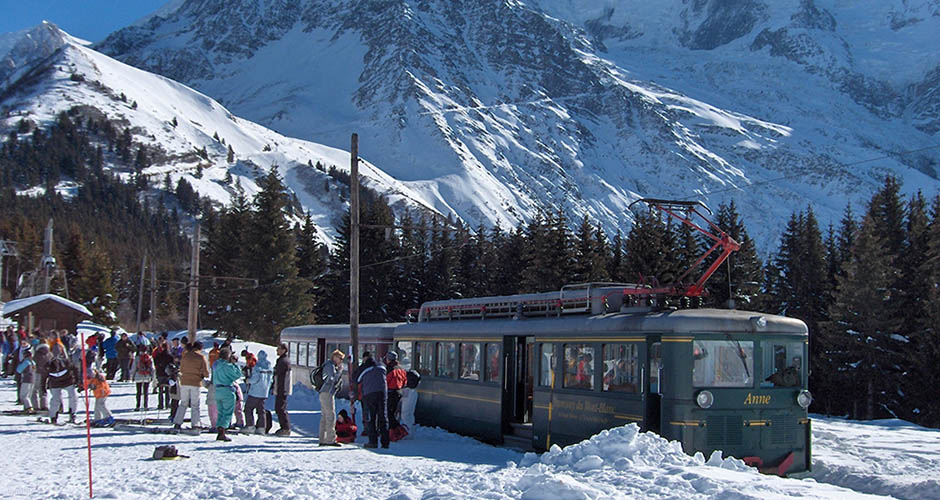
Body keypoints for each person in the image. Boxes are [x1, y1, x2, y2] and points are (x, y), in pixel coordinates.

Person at [174, 341, 209, 430]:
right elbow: (206, 373)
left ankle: (177, 422)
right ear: (200, 348)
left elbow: (181, 369)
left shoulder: (185, 356)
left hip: (185, 381)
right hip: (196, 382)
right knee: (195, 404)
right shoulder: (201, 357)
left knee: (183, 403)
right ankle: (195, 424)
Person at [357, 353, 389, 448]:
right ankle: (385, 442)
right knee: (383, 417)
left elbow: (356, 379)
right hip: (382, 393)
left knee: (371, 418)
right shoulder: (382, 366)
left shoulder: (365, 368)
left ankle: (373, 441)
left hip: (369, 393)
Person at [211, 348, 242, 441]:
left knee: (220, 412)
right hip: (227, 390)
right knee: (227, 412)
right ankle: (222, 431)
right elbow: (238, 374)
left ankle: (220, 429)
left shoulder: (215, 364)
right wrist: (234, 364)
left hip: (217, 390)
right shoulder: (227, 366)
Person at [318, 349, 346, 446]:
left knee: (325, 416)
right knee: (330, 416)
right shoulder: (330, 366)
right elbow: (332, 379)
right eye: (340, 358)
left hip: (324, 392)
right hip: (327, 392)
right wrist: (339, 371)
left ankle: (323, 439)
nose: (341, 361)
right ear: (335, 357)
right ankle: (330, 439)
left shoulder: (328, 365)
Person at [243, 349, 273, 434]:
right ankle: (261, 427)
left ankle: (250, 426)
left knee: (248, 408)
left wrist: (248, 380)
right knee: (261, 410)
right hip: (264, 392)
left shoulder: (257, 367)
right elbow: (271, 380)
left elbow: (255, 379)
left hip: (255, 391)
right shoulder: (269, 367)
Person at [47, 350, 78, 424]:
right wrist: (43, 387)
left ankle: (72, 413)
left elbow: (75, 369)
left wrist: (78, 380)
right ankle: (53, 416)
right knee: (55, 399)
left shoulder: (66, 363)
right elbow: (44, 377)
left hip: (68, 381)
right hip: (55, 383)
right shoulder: (48, 366)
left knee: (73, 396)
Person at [272, 343, 292, 436]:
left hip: (282, 387)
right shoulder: (282, 360)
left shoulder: (283, 361)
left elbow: (280, 376)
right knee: (279, 407)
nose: (277, 351)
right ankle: (284, 427)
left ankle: (285, 428)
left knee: (280, 408)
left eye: (279, 349)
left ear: (284, 350)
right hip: (281, 387)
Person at [385, 352, 407, 430]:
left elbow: (386, 381)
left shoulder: (390, 369)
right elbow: (405, 381)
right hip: (399, 392)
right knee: (394, 412)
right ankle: (394, 429)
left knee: (388, 412)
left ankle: (394, 428)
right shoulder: (401, 369)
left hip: (391, 392)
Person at [130, 344, 155, 410]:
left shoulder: (137, 358)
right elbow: (152, 368)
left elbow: (134, 367)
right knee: (145, 392)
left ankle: (137, 406)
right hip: (147, 376)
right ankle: (145, 406)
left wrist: (132, 376)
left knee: (138, 392)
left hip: (138, 375)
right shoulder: (149, 357)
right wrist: (152, 376)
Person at [400, 367, 421, 438]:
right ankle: (411, 430)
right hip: (413, 393)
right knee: (410, 413)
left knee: (405, 413)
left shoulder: (406, 387)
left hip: (408, 394)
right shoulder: (414, 389)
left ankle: (408, 431)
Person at [31, 341, 51, 412]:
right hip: (46, 373)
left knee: (34, 389)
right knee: (43, 389)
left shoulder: (37, 353)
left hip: (37, 372)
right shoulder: (49, 353)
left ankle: (36, 406)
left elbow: (33, 363)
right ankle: (44, 405)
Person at [153, 341, 173, 410]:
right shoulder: (170, 356)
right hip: (167, 374)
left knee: (160, 389)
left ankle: (160, 404)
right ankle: (167, 403)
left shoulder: (158, 355)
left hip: (160, 373)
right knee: (167, 390)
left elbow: (155, 363)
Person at [16, 348, 36, 413]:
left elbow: (19, 370)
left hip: (26, 380)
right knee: (28, 395)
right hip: (33, 379)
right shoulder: (33, 362)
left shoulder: (26, 362)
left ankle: (29, 408)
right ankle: (27, 407)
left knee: (24, 395)